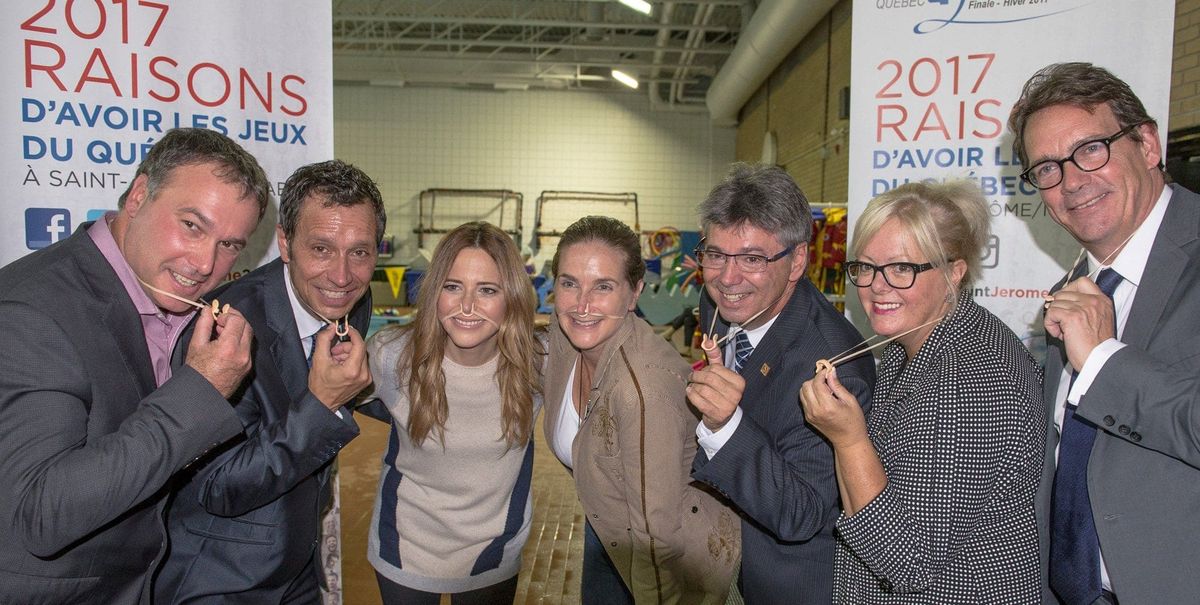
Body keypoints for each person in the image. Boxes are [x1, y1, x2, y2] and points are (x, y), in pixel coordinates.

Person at [0, 128, 270, 603]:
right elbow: (40, 514)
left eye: (230, 244)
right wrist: (202, 390)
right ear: (139, 194)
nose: (206, 262)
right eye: (192, 225)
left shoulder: (173, 301)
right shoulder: (34, 309)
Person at [798, 181, 1044, 603]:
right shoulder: (917, 343)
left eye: (902, 268)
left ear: (954, 272)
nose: (877, 286)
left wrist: (848, 439)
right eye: (866, 267)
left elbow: (907, 560)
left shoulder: (969, 379)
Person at [1009, 62, 1200, 605]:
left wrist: (1103, 361)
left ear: (1146, 144)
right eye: (1046, 167)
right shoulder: (1073, 290)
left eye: (1090, 149)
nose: (1071, 181)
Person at [155, 160, 383, 603]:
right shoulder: (227, 329)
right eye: (320, 249)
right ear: (284, 242)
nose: (341, 275)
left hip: (297, 564)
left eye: (360, 251)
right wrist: (323, 405)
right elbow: (216, 486)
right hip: (221, 577)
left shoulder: (351, 297)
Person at [685, 163, 875, 604]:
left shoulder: (832, 367)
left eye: (752, 258)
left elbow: (802, 513)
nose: (727, 279)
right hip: (720, 561)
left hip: (785, 584)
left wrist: (724, 426)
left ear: (797, 261)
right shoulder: (719, 304)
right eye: (715, 255)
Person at [543, 216, 739, 605]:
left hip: (675, 560)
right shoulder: (568, 336)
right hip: (609, 526)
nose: (582, 304)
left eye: (603, 286)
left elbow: (657, 539)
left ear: (634, 294)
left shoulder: (641, 391)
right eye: (569, 283)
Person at [367, 221, 541, 604]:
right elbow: (327, 397)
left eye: (487, 290)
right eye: (452, 286)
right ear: (434, 292)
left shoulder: (537, 363)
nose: (466, 306)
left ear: (510, 296)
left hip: (493, 553)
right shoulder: (391, 356)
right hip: (406, 548)